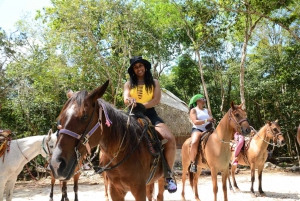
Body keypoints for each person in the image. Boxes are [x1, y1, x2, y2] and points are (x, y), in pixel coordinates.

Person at [123, 56, 177, 193]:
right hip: (132, 114)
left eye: (140, 66)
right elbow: (125, 98)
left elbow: (156, 100)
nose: (139, 69)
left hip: (150, 114)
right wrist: (129, 100)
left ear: (145, 67)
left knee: (169, 139)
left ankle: (168, 176)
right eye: (135, 67)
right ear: (133, 71)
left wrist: (141, 105)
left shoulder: (154, 82)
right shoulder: (128, 84)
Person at [188, 94, 215, 173]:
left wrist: (212, 120)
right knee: (194, 142)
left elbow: (210, 118)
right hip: (198, 129)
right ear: (197, 101)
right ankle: (193, 163)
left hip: (208, 129)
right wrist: (207, 120)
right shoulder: (193, 110)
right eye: (202, 99)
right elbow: (195, 121)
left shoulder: (207, 110)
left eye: (204, 99)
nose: (204, 100)